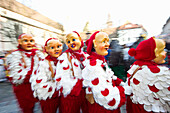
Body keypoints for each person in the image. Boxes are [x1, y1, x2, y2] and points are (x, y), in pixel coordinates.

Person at [82, 31, 126, 113]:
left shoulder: (100, 60)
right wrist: (121, 90)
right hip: (102, 108)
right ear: (95, 44)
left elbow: (110, 76)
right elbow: (105, 96)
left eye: (107, 41)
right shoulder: (93, 65)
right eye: (103, 42)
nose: (107, 44)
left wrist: (120, 83)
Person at [126, 37, 170, 113]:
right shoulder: (160, 72)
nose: (165, 52)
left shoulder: (135, 67)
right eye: (162, 50)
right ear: (153, 54)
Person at [6, 33, 45, 113]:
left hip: (38, 86)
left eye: (31, 41)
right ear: (20, 42)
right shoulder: (15, 55)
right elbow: (16, 76)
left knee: (45, 105)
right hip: (23, 88)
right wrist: (34, 74)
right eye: (26, 41)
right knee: (27, 108)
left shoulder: (38, 54)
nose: (29, 43)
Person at [54, 31, 89, 113]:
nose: (71, 43)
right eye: (68, 42)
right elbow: (61, 77)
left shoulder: (86, 56)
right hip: (72, 92)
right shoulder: (64, 57)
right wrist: (72, 87)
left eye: (73, 39)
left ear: (80, 40)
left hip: (86, 91)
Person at [30, 38, 62, 113]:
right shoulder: (43, 63)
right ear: (47, 50)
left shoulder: (63, 60)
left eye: (58, 46)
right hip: (49, 95)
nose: (56, 49)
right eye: (52, 47)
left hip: (62, 94)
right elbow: (39, 82)